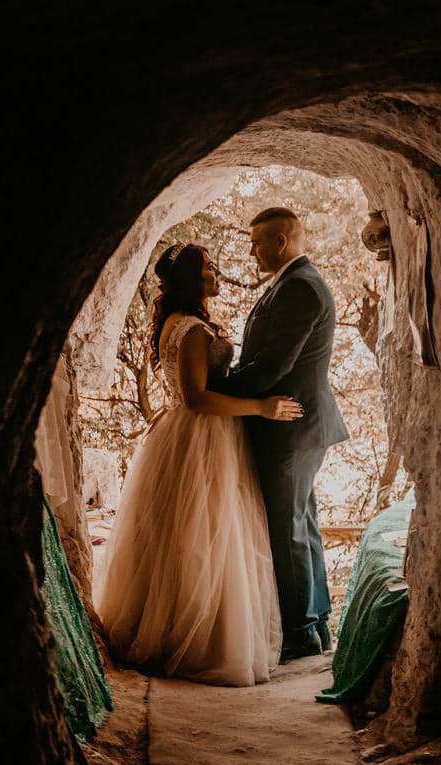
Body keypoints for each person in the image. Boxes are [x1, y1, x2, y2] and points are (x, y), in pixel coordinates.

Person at [95, 242, 300, 686]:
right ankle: (198, 640)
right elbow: (197, 397)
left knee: (185, 534)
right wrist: (261, 408)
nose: (217, 272)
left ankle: (179, 626)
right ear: (192, 279)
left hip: (185, 433)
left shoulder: (179, 323)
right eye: (209, 267)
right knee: (203, 534)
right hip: (202, 435)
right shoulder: (190, 330)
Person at [209, 207, 349, 661]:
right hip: (294, 426)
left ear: (280, 242)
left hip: (290, 425)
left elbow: (273, 366)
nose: (251, 251)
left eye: (256, 242)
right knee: (300, 525)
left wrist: (211, 391)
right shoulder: (292, 284)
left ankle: (300, 632)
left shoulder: (301, 289)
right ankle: (314, 626)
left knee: (288, 529)